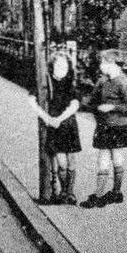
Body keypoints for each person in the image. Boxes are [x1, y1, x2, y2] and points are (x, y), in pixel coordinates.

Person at [26, 50, 83, 204]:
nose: (62, 68)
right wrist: (47, 118)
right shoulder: (45, 82)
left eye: (64, 65)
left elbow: (75, 104)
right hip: (53, 124)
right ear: (52, 66)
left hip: (68, 124)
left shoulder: (71, 81)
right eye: (58, 65)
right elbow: (31, 100)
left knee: (71, 161)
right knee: (61, 162)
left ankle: (69, 193)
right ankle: (64, 191)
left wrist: (60, 118)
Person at [80, 48, 127, 208]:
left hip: (117, 127)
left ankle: (114, 192)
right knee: (103, 159)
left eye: (104, 63)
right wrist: (84, 102)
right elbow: (92, 98)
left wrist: (112, 107)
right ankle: (101, 194)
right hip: (103, 126)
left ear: (113, 64)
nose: (101, 66)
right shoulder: (103, 81)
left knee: (115, 158)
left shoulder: (123, 81)